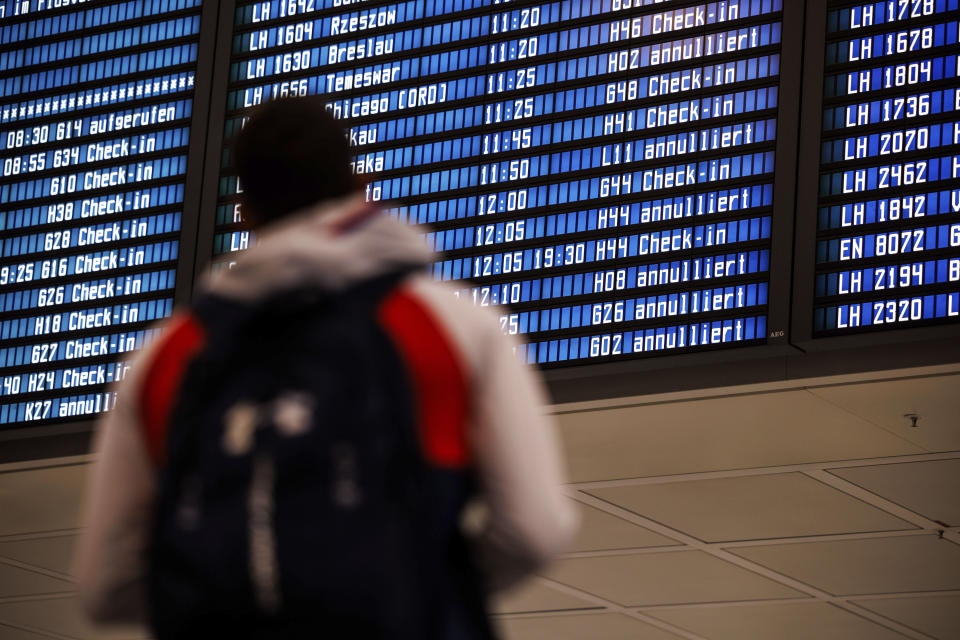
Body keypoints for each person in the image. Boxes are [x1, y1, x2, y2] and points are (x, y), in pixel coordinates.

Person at [75, 96, 576, 637]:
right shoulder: (450, 322)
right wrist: (428, 585)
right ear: (359, 189)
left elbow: (102, 586)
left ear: (246, 214)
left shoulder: (165, 355)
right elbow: (535, 530)